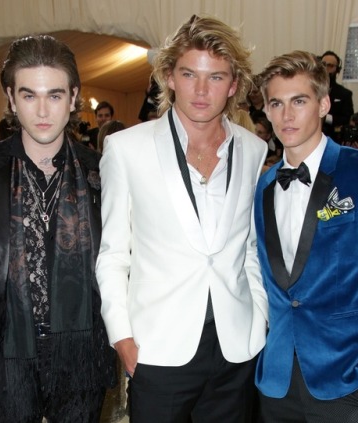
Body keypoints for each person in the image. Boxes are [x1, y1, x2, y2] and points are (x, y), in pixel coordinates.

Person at [96, 14, 269, 423]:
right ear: (170, 77)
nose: (201, 91)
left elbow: (248, 248)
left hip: (236, 348)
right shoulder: (126, 149)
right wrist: (122, 337)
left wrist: (258, 319)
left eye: (216, 77)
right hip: (158, 349)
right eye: (190, 74)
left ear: (233, 84)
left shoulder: (253, 149)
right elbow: (113, 253)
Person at [0, 34, 115, 423]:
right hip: (5, 353)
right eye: (28, 95)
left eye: (54, 95)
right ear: (10, 98)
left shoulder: (104, 170)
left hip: (83, 350)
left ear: (73, 99)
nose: (42, 110)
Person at [254, 50, 358, 422]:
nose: (286, 115)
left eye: (299, 101)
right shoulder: (263, 186)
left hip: (347, 381)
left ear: (324, 103)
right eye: (276, 103)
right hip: (277, 384)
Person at [320, 50, 354, 141]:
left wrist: (325, 117)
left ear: (337, 69)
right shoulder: (310, 89)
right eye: (323, 64)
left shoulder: (345, 94)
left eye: (330, 66)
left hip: (333, 138)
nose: (326, 69)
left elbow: (347, 119)